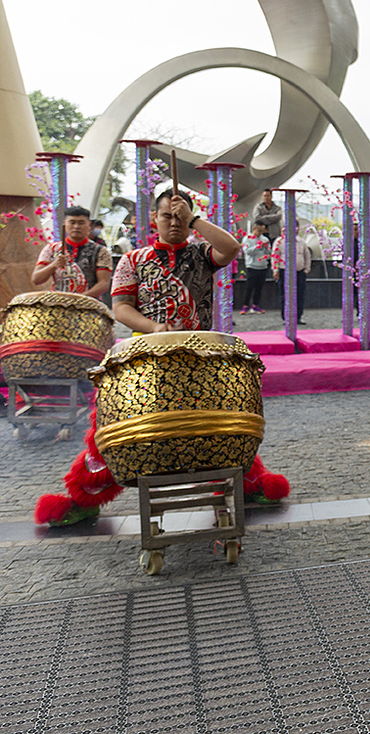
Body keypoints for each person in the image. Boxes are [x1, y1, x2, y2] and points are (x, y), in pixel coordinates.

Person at [33, 188, 289, 526]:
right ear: (154, 219)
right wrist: (153, 327)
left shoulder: (201, 254)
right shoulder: (133, 260)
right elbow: (122, 308)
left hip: (202, 358)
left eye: (180, 216)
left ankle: (251, 483)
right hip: (146, 360)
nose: (174, 222)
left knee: (223, 423)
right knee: (114, 426)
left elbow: (231, 248)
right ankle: (85, 496)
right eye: (167, 215)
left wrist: (194, 218)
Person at [32, 206, 112, 297]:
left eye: (81, 223)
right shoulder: (51, 249)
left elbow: (104, 283)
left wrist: (79, 299)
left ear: (89, 225)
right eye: (72, 222)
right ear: (65, 224)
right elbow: (36, 279)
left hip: (89, 305)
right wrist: (53, 265)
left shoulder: (101, 251)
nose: (76, 226)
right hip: (57, 303)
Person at [271, 223, 313, 325]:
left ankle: (298, 316)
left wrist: (306, 269)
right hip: (284, 271)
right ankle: (286, 317)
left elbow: (307, 256)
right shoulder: (279, 241)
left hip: (299, 272)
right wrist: (275, 270)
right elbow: (275, 256)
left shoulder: (301, 242)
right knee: (284, 295)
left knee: (300, 295)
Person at [238, 218, 271, 315]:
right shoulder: (247, 239)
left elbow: (269, 253)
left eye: (262, 231)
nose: (261, 233)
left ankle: (255, 305)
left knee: (259, 287)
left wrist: (265, 248)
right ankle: (245, 305)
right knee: (249, 287)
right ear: (254, 229)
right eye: (259, 230)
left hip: (262, 266)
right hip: (252, 266)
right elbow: (247, 252)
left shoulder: (265, 239)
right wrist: (258, 246)